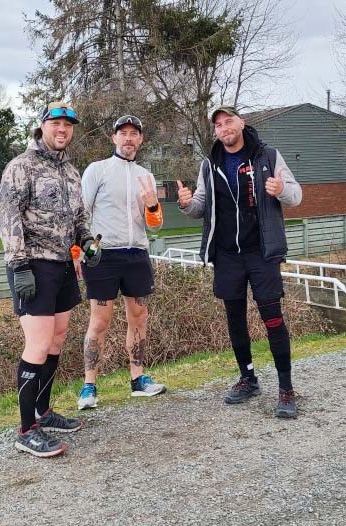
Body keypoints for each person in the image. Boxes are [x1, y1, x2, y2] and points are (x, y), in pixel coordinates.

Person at [177, 106, 302, 418]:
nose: (223, 128)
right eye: (218, 125)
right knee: (235, 320)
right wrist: (186, 204)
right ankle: (248, 379)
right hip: (227, 256)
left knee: (272, 318)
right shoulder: (210, 164)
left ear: (241, 123)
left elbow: (296, 196)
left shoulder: (268, 157)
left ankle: (286, 388)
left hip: (261, 252)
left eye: (228, 121)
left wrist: (281, 189)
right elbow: (200, 207)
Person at [0, 101, 101, 457]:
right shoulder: (20, 166)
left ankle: (44, 411)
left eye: (68, 126)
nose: (62, 130)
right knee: (37, 345)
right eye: (56, 123)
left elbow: (79, 217)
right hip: (32, 266)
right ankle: (26, 429)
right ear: (41, 126)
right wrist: (19, 265)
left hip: (62, 266)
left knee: (56, 340)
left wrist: (86, 240)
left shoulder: (71, 171)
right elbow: (6, 217)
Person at [76, 115, 167, 410]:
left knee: (139, 318)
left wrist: (152, 203)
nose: (128, 139)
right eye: (123, 133)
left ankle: (138, 379)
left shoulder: (146, 175)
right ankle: (89, 386)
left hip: (137, 253)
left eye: (134, 134)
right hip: (103, 254)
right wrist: (78, 252)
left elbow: (154, 225)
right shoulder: (97, 170)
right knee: (99, 321)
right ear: (113, 138)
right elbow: (81, 214)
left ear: (141, 140)